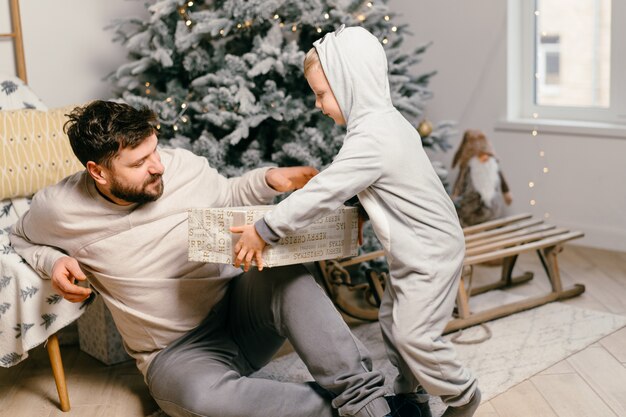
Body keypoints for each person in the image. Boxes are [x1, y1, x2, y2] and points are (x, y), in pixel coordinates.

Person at [9, 100, 396, 417]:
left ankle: (364, 399)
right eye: (139, 162)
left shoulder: (181, 166)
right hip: (176, 353)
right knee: (201, 401)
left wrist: (267, 180)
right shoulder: (57, 209)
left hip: (240, 310)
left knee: (284, 274)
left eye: (154, 150)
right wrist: (52, 263)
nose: (158, 165)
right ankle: (362, 410)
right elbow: (19, 236)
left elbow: (226, 198)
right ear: (98, 172)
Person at [231, 26, 481, 417]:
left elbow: (324, 190)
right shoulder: (383, 123)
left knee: (415, 334)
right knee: (393, 323)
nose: (318, 105)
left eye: (322, 94)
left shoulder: (373, 137)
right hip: (417, 249)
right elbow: (395, 184)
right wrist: (365, 211)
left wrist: (265, 228)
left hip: (431, 252)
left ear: (351, 84)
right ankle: (410, 395)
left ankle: (463, 395)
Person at [451, 129, 513, 227]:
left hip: (492, 211)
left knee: (492, 223)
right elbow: (460, 183)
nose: (484, 157)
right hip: (470, 210)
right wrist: (454, 196)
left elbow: (503, 183)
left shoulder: (493, 165)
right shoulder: (469, 167)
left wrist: (507, 193)